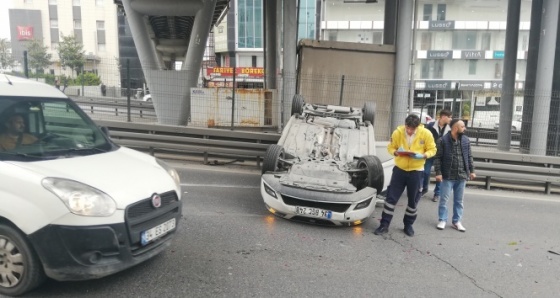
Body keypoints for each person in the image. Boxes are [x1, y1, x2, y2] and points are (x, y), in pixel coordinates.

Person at [374, 114, 437, 237]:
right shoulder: (398, 132)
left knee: (413, 201)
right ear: (405, 125)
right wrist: (396, 152)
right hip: (400, 170)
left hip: (417, 171)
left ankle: (408, 225)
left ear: (417, 127)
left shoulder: (426, 134)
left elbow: (433, 150)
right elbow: (390, 147)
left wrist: (423, 155)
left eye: (412, 129)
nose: (409, 131)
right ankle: (384, 225)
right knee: (391, 198)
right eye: (407, 128)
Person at [433, 119, 476, 232]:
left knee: (459, 201)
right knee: (444, 200)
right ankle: (442, 219)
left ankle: (456, 221)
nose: (464, 128)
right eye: (462, 126)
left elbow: (469, 156)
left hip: (462, 176)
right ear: (455, 128)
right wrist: (438, 173)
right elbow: (437, 158)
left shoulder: (466, 140)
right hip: (447, 176)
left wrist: (472, 171)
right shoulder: (442, 140)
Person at [423, 109, 453, 202]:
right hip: (430, 152)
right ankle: (424, 189)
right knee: (425, 172)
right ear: (443, 117)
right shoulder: (430, 126)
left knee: (439, 174)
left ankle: (437, 193)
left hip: (442, 154)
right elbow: (425, 138)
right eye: (449, 117)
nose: (451, 119)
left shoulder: (450, 128)